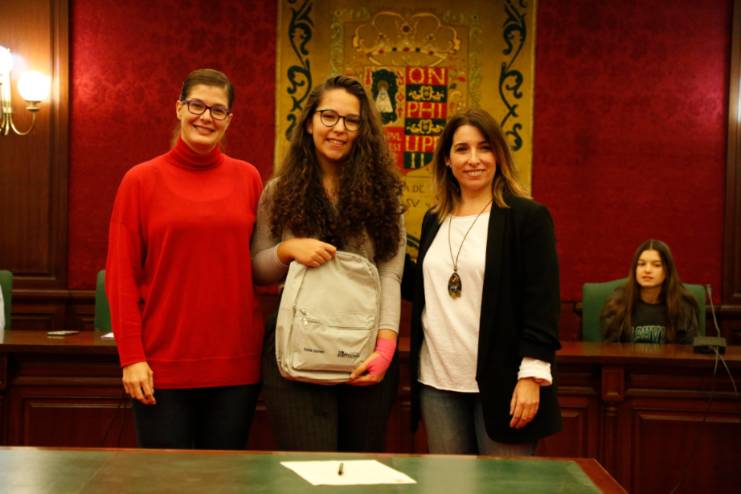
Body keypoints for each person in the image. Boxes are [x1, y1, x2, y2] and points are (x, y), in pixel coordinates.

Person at [106, 68, 264, 449]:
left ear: (229, 120)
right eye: (197, 105)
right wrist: (131, 358)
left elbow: (260, 267)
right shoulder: (140, 180)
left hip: (235, 368)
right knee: (165, 479)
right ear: (179, 108)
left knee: (225, 478)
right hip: (161, 368)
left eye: (217, 110)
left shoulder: (249, 178)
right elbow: (121, 277)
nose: (206, 117)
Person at [252, 74, 405, 452]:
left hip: (364, 350)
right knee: (305, 472)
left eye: (351, 120)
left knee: (359, 473)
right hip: (296, 349)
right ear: (309, 122)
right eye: (329, 116)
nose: (339, 128)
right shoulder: (278, 191)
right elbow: (257, 268)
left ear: (363, 130)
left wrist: (385, 349)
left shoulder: (384, 193)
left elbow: (390, 272)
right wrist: (289, 250)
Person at [403, 109, 562, 455]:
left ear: (499, 155)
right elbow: (423, 289)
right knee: (449, 483)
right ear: (447, 160)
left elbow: (542, 302)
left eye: (484, 148)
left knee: (504, 482)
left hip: (505, 383)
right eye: (462, 149)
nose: (473, 159)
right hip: (437, 384)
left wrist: (532, 375)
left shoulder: (527, 218)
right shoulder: (434, 219)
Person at [601, 239, 699, 343]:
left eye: (656, 265)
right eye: (641, 264)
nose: (647, 270)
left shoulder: (683, 305)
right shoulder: (618, 303)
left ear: (667, 271)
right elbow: (609, 348)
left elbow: (688, 349)